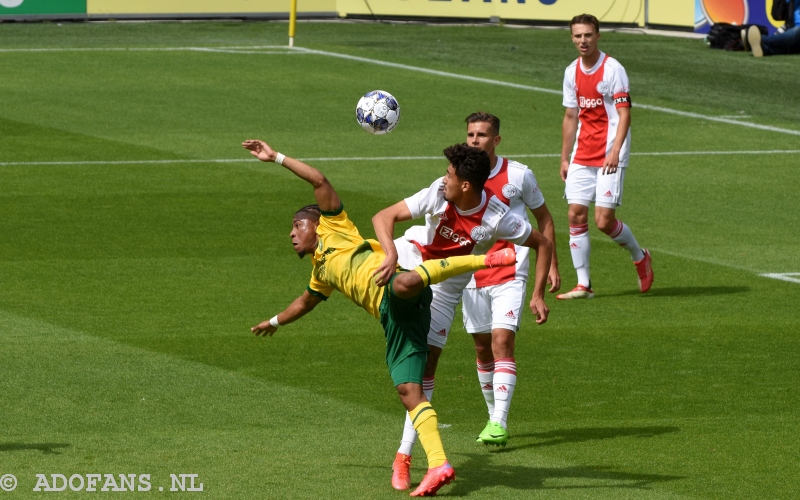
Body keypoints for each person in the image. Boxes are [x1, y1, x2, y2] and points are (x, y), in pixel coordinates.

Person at [243, 139, 518, 497]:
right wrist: (274, 322)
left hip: (402, 291)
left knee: (403, 282)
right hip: (396, 323)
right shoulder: (320, 272)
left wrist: (276, 157)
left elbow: (319, 181)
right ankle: (439, 464)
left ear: (315, 223)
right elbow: (306, 302)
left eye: (298, 225)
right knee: (409, 390)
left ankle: (484, 260)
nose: (292, 233)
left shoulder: (335, 227)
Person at [371, 143, 553, 490]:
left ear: (466, 185)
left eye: (451, 175)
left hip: (443, 294)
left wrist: (538, 293)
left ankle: (404, 456)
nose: (445, 178)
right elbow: (383, 216)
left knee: (422, 371)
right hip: (407, 262)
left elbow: (542, 242)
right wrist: (391, 253)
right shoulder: (437, 193)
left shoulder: (498, 217)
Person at [460, 112, 560, 447]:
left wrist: (551, 268)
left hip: (511, 269)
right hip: (470, 272)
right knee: (481, 347)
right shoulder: (458, 176)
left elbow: (544, 220)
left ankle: (499, 422)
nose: (475, 140)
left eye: (483, 135)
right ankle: (492, 416)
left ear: (496, 140)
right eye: (471, 135)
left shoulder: (518, 175)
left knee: (502, 342)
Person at [558, 13, 653, 300]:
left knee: (603, 221)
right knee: (575, 213)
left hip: (610, 155)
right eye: (577, 36)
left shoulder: (613, 70)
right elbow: (571, 115)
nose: (582, 40)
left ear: (598, 36)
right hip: (581, 155)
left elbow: (625, 114)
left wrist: (614, 151)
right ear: (572, 38)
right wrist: (564, 157)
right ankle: (584, 285)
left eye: (588, 35)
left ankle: (640, 256)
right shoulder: (571, 72)